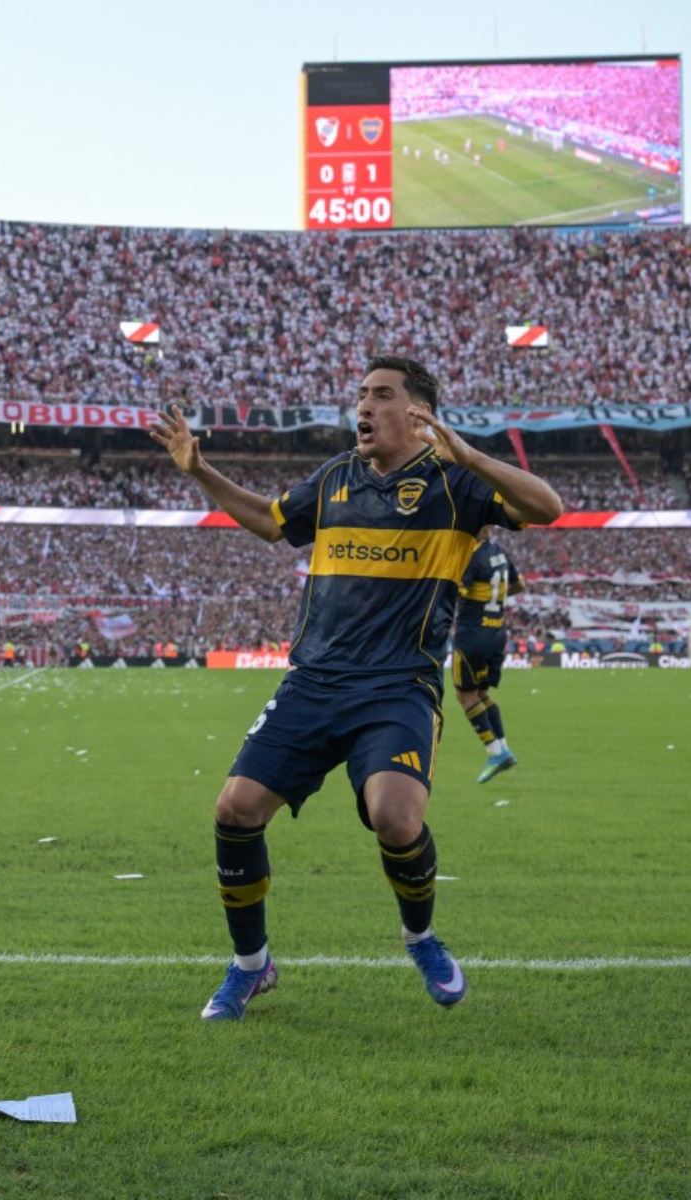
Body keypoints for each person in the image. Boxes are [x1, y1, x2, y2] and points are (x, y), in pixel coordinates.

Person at [148, 355, 563, 1022]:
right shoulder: (335, 477)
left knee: (396, 817)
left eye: (381, 396)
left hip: (400, 685)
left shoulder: (455, 484)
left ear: (417, 413)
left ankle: (421, 938)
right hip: (315, 680)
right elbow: (268, 521)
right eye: (361, 395)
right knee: (235, 809)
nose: (363, 408)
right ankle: (252, 966)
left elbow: (548, 506)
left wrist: (470, 454)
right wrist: (199, 471)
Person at [452, 532, 526, 783]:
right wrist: (491, 598)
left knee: (465, 695)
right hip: (496, 631)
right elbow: (520, 585)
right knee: (482, 694)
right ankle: (504, 748)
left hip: (473, 634)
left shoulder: (470, 553)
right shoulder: (498, 552)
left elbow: (456, 592)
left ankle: (495, 752)